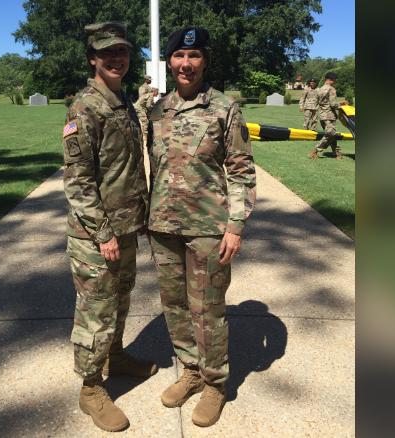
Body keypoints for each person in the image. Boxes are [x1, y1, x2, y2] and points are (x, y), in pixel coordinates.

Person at [146, 27, 257, 427]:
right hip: (162, 226)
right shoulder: (156, 110)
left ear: (204, 61)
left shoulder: (225, 109)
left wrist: (236, 225)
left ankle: (215, 383)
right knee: (174, 306)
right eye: (179, 56)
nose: (186, 64)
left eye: (194, 56)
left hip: (209, 228)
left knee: (207, 310)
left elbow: (242, 171)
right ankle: (190, 369)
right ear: (170, 62)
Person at [62, 21, 157, 432]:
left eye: (123, 52)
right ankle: (90, 388)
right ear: (93, 59)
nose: (117, 58)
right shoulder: (85, 107)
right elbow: (78, 182)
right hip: (96, 236)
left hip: (126, 227)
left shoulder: (121, 102)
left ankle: (115, 356)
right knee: (95, 312)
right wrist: (102, 234)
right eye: (108, 53)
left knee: (121, 300)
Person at [308, 71, 343, 159]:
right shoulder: (331, 89)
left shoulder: (319, 89)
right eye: (335, 80)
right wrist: (342, 105)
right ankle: (315, 151)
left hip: (322, 115)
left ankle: (336, 153)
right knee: (330, 134)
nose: (335, 81)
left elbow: (318, 102)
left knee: (331, 134)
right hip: (329, 115)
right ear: (331, 79)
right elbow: (333, 104)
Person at [134, 75, 156, 147]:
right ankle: (144, 137)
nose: (151, 80)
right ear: (146, 80)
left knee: (146, 121)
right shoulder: (144, 88)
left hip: (142, 107)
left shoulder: (148, 88)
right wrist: (152, 109)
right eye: (150, 79)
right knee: (145, 121)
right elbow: (146, 102)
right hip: (140, 107)